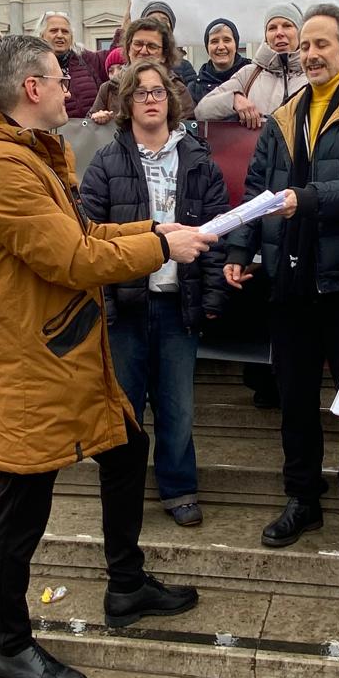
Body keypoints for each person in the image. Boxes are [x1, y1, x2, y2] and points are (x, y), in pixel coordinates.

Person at [0, 34, 212, 678]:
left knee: (127, 447)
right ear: (32, 89)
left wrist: (156, 235)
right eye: (61, 79)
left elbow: (83, 238)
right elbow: (71, 259)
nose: (73, 88)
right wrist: (159, 242)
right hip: (29, 357)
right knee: (22, 502)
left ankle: (126, 585)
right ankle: (9, 646)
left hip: (66, 347)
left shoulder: (30, 152)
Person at [224, 3, 339, 556]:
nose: (310, 54)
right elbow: (259, 187)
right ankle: (302, 495)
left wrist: (309, 199)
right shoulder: (285, 115)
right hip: (289, 278)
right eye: (305, 46)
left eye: (321, 44)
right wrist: (240, 247)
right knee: (296, 396)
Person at [80, 59, 230, 527]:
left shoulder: (199, 159)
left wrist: (210, 299)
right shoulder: (107, 161)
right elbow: (89, 236)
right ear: (126, 103)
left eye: (157, 92)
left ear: (170, 99)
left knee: (177, 406)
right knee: (125, 405)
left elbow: (216, 231)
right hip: (126, 305)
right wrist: (103, 304)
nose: (150, 99)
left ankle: (179, 486)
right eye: (140, 92)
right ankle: (123, 488)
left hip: (176, 303)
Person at [194, 3, 305, 128]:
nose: (279, 33)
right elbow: (202, 110)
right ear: (266, 36)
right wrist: (233, 99)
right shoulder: (249, 74)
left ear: (301, 32)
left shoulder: (313, 75)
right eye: (272, 28)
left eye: (287, 26)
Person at [89, 16, 196, 120]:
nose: (143, 51)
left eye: (152, 46)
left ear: (164, 55)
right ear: (128, 49)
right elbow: (88, 129)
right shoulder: (109, 89)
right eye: (138, 44)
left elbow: (187, 131)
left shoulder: (177, 89)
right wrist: (98, 119)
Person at [39, 10, 108, 118]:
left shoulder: (86, 59)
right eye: (53, 31)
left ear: (71, 37)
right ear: (41, 35)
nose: (60, 35)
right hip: (51, 131)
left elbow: (118, 54)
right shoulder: (32, 65)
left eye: (65, 31)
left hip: (90, 130)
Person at [191, 17, 251, 103]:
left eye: (227, 40)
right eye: (214, 41)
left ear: (236, 45)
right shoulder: (195, 88)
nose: (221, 47)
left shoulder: (253, 76)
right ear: (207, 47)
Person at [141, 0, 197, 88]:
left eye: (164, 20)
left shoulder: (184, 67)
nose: (159, 23)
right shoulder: (135, 60)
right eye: (152, 19)